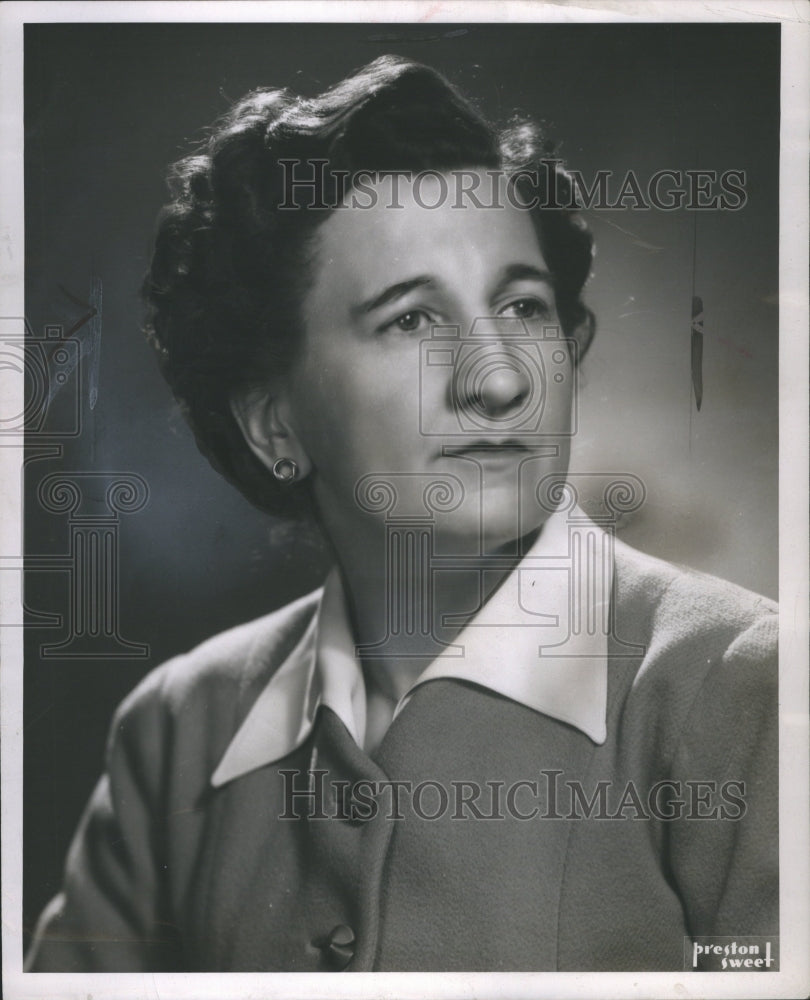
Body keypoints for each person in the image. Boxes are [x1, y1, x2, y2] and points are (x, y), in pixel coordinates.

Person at [26, 55, 778, 973]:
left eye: (523, 305)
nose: (500, 378)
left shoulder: (747, 694)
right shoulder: (177, 732)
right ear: (274, 422)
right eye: (410, 321)